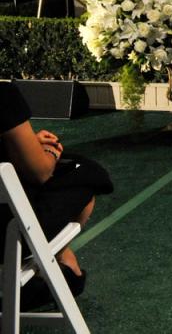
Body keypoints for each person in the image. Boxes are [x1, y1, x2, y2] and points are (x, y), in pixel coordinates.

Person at [0, 82, 113, 307]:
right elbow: (40, 171)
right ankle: (58, 260)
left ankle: (60, 261)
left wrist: (28, 142)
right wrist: (50, 151)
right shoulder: (3, 95)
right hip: (5, 234)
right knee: (85, 173)